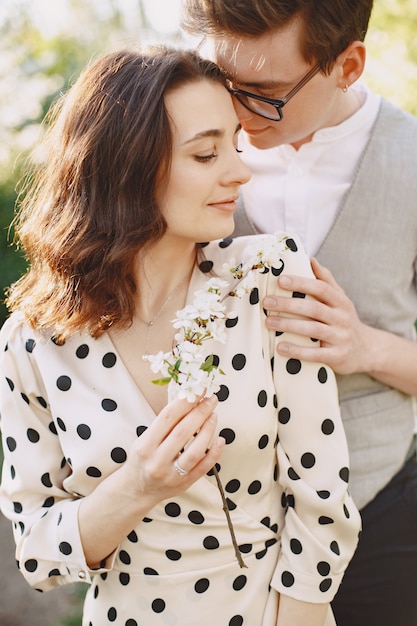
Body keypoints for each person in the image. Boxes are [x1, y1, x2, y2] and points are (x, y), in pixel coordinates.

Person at [0, 46, 360, 626]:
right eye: (206, 153)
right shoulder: (32, 342)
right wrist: (139, 485)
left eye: (235, 147)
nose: (238, 171)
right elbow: (39, 554)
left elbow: (322, 499)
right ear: (126, 167)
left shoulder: (268, 278)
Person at [181, 2, 417, 625]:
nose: (235, 111)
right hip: (212, 528)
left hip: (381, 513)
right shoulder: (179, 149)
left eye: (264, 94)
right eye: (225, 82)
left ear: (347, 65)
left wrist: (366, 347)